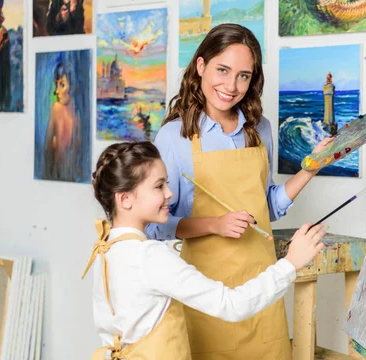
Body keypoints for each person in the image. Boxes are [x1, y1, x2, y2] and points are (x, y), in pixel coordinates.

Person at [146, 23, 333, 359]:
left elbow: (268, 207)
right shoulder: (174, 138)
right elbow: (156, 225)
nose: (231, 86)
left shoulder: (260, 128)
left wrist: (310, 169)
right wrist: (214, 224)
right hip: (207, 293)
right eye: (223, 70)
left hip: (265, 286)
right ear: (201, 66)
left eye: (243, 76)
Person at [83, 141, 326, 359]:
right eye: (159, 186)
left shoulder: (105, 250)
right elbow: (232, 305)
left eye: (166, 183)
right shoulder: (150, 257)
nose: (170, 193)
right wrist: (291, 263)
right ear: (125, 199)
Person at [44, 61, 81, 181]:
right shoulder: (55, 109)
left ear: (72, 85)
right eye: (56, 85)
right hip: (56, 175)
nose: (56, 91)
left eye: (62, 85)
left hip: (74, 176)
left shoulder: (78, 111)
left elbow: (78, 148)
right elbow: (48, 145)